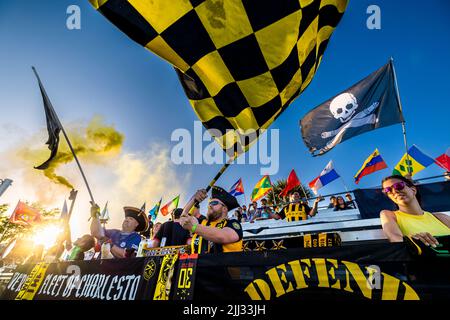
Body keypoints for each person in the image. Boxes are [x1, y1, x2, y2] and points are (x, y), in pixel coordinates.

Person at [380, 175, 450, 246]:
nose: (395, 191)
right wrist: (413, 241)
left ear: (413, 190)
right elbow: (395, 238)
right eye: (388, 190)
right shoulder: (389, 214)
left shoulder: (441, 217)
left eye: (398, 185)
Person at [179, 186, 243, 254]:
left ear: (224, 209)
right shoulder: (201, 222)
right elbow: (184, 217)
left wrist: (193, 227)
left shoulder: (232, 223)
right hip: (196, 263)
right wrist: (194, 199)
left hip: (223, 264)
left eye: (214, 203)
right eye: (209, 203)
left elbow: (223, 236)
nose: (210, 205)